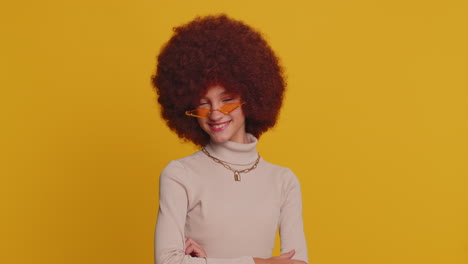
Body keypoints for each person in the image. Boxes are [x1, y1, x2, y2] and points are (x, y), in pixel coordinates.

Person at [152, 14, 308, 264]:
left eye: (227, 100)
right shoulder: (180, 174)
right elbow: (168, 262)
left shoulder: (283, 181)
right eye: (203, 103)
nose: (215, 113)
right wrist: (259, 263)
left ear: (252, 96)